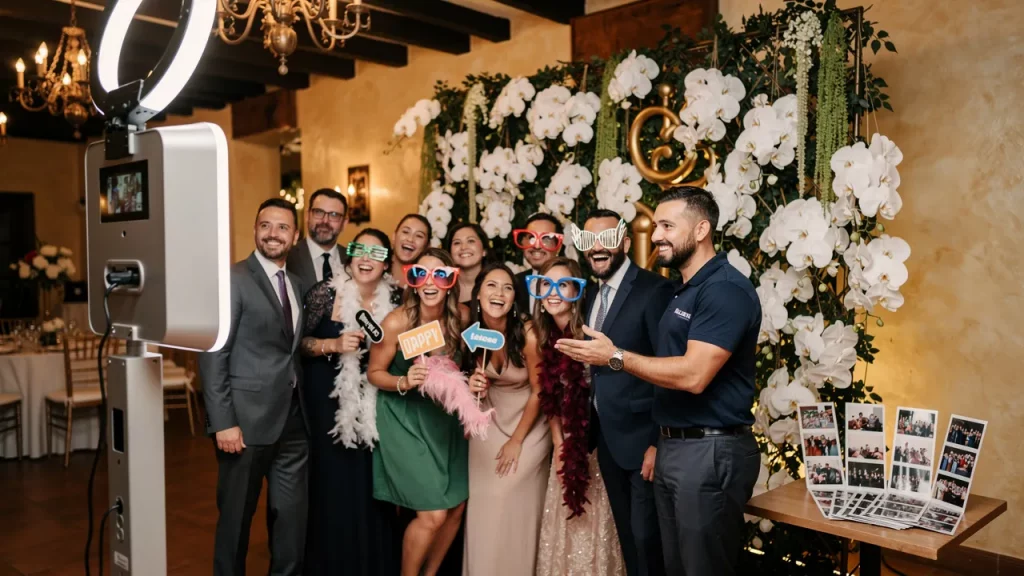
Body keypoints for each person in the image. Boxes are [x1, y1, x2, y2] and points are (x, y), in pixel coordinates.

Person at [556, 187, 762, 576]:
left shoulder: (725, 289)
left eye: (668, 225)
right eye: (655, 226)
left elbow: (694, 375)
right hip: (675, 445)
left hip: (710, 451)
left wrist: (614, 357)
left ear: (702, 229)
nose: (656, 235)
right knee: (671, 567)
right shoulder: (687, 289)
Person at [199, 198, 309, 576]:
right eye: (265, 225)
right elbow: (214, 354)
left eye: (282, 227)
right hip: (244, 426)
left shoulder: (295, 284)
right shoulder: (232, 279)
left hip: (293, 423)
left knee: (291, 523)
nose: (273, 233)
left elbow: (288, 350)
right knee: (235, 524)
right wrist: (223, 421)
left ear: (295, 236)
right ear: (255, 230)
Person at [298, 228, 403, 575]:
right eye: (360, 250)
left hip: (378, 408)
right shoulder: (324, 295)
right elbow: (299, 345)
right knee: (332, 492)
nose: (366, 259)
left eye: (376, 253)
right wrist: (332, 345)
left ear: (386, 263)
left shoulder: (398, 300)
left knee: (372, 492)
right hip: (329, 410)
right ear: (349, 256)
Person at [577, 209, 673, 576]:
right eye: (589, 240)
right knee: (630, 542)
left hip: (644, 440)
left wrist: (657, 441)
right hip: (609, 440)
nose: (598, 247)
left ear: (626, 243)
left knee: (649, 542)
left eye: (607, 238)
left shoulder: (655, 290)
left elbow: (668, 367)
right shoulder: (592, 295)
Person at [368, 248, 471, 576]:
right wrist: (403, 380)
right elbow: (374, 372)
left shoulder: (461, 319)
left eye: (439, 274)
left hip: (444, 420)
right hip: (405, 419)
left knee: (456, 507)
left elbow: (465, 368)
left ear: (450, 281)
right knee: (433, 516)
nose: (430, 282)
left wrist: (476, 383)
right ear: (411, 282)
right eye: (420, 274)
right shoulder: (396, 322)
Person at [532, 257, 626, 576]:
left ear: (577, 290)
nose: (554, 292)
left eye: (563, 284)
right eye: (546, 284)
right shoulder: (542, 337)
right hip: (568, 447)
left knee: (595, 529)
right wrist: (560, 444)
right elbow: (549, 397)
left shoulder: (592, 331)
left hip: (599, 449)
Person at [462, 263, 551, 576]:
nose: (498, 293)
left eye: (507, 287)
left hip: (528, 421)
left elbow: (541, 391)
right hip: (489, 419)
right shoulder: (470, 330)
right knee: (484, 505)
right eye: (491, 285)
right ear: (478, 294)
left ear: (515, 299)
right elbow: (456, 376)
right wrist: (470, 384)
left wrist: (516, 441)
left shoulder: (527, 333)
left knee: (509, 496)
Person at [287, 188, 348, 290]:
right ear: (307, 215)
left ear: (344, 223)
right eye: (319, 212)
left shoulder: (353, 261)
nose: (325, 221)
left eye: (334, 215)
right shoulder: (287, 257)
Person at [512, 213, 564, 317]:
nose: (537, 245)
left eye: (545, 239)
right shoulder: (513, 283)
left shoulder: (572, 284)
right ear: (522, 242)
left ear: (558, 246)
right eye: (532, 238)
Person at [447, 222, 491, 305]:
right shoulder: (443, 286)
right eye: (457, 243)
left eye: (471, 241)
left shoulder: (497, 285)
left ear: (484, 251)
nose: (463, 247)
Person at [391, 214, 432, 286]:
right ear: (394, 236)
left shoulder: (429, 280)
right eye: (405, 232)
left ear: (427, 246)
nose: (410, 239)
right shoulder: (375, 270)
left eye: (419, 236)